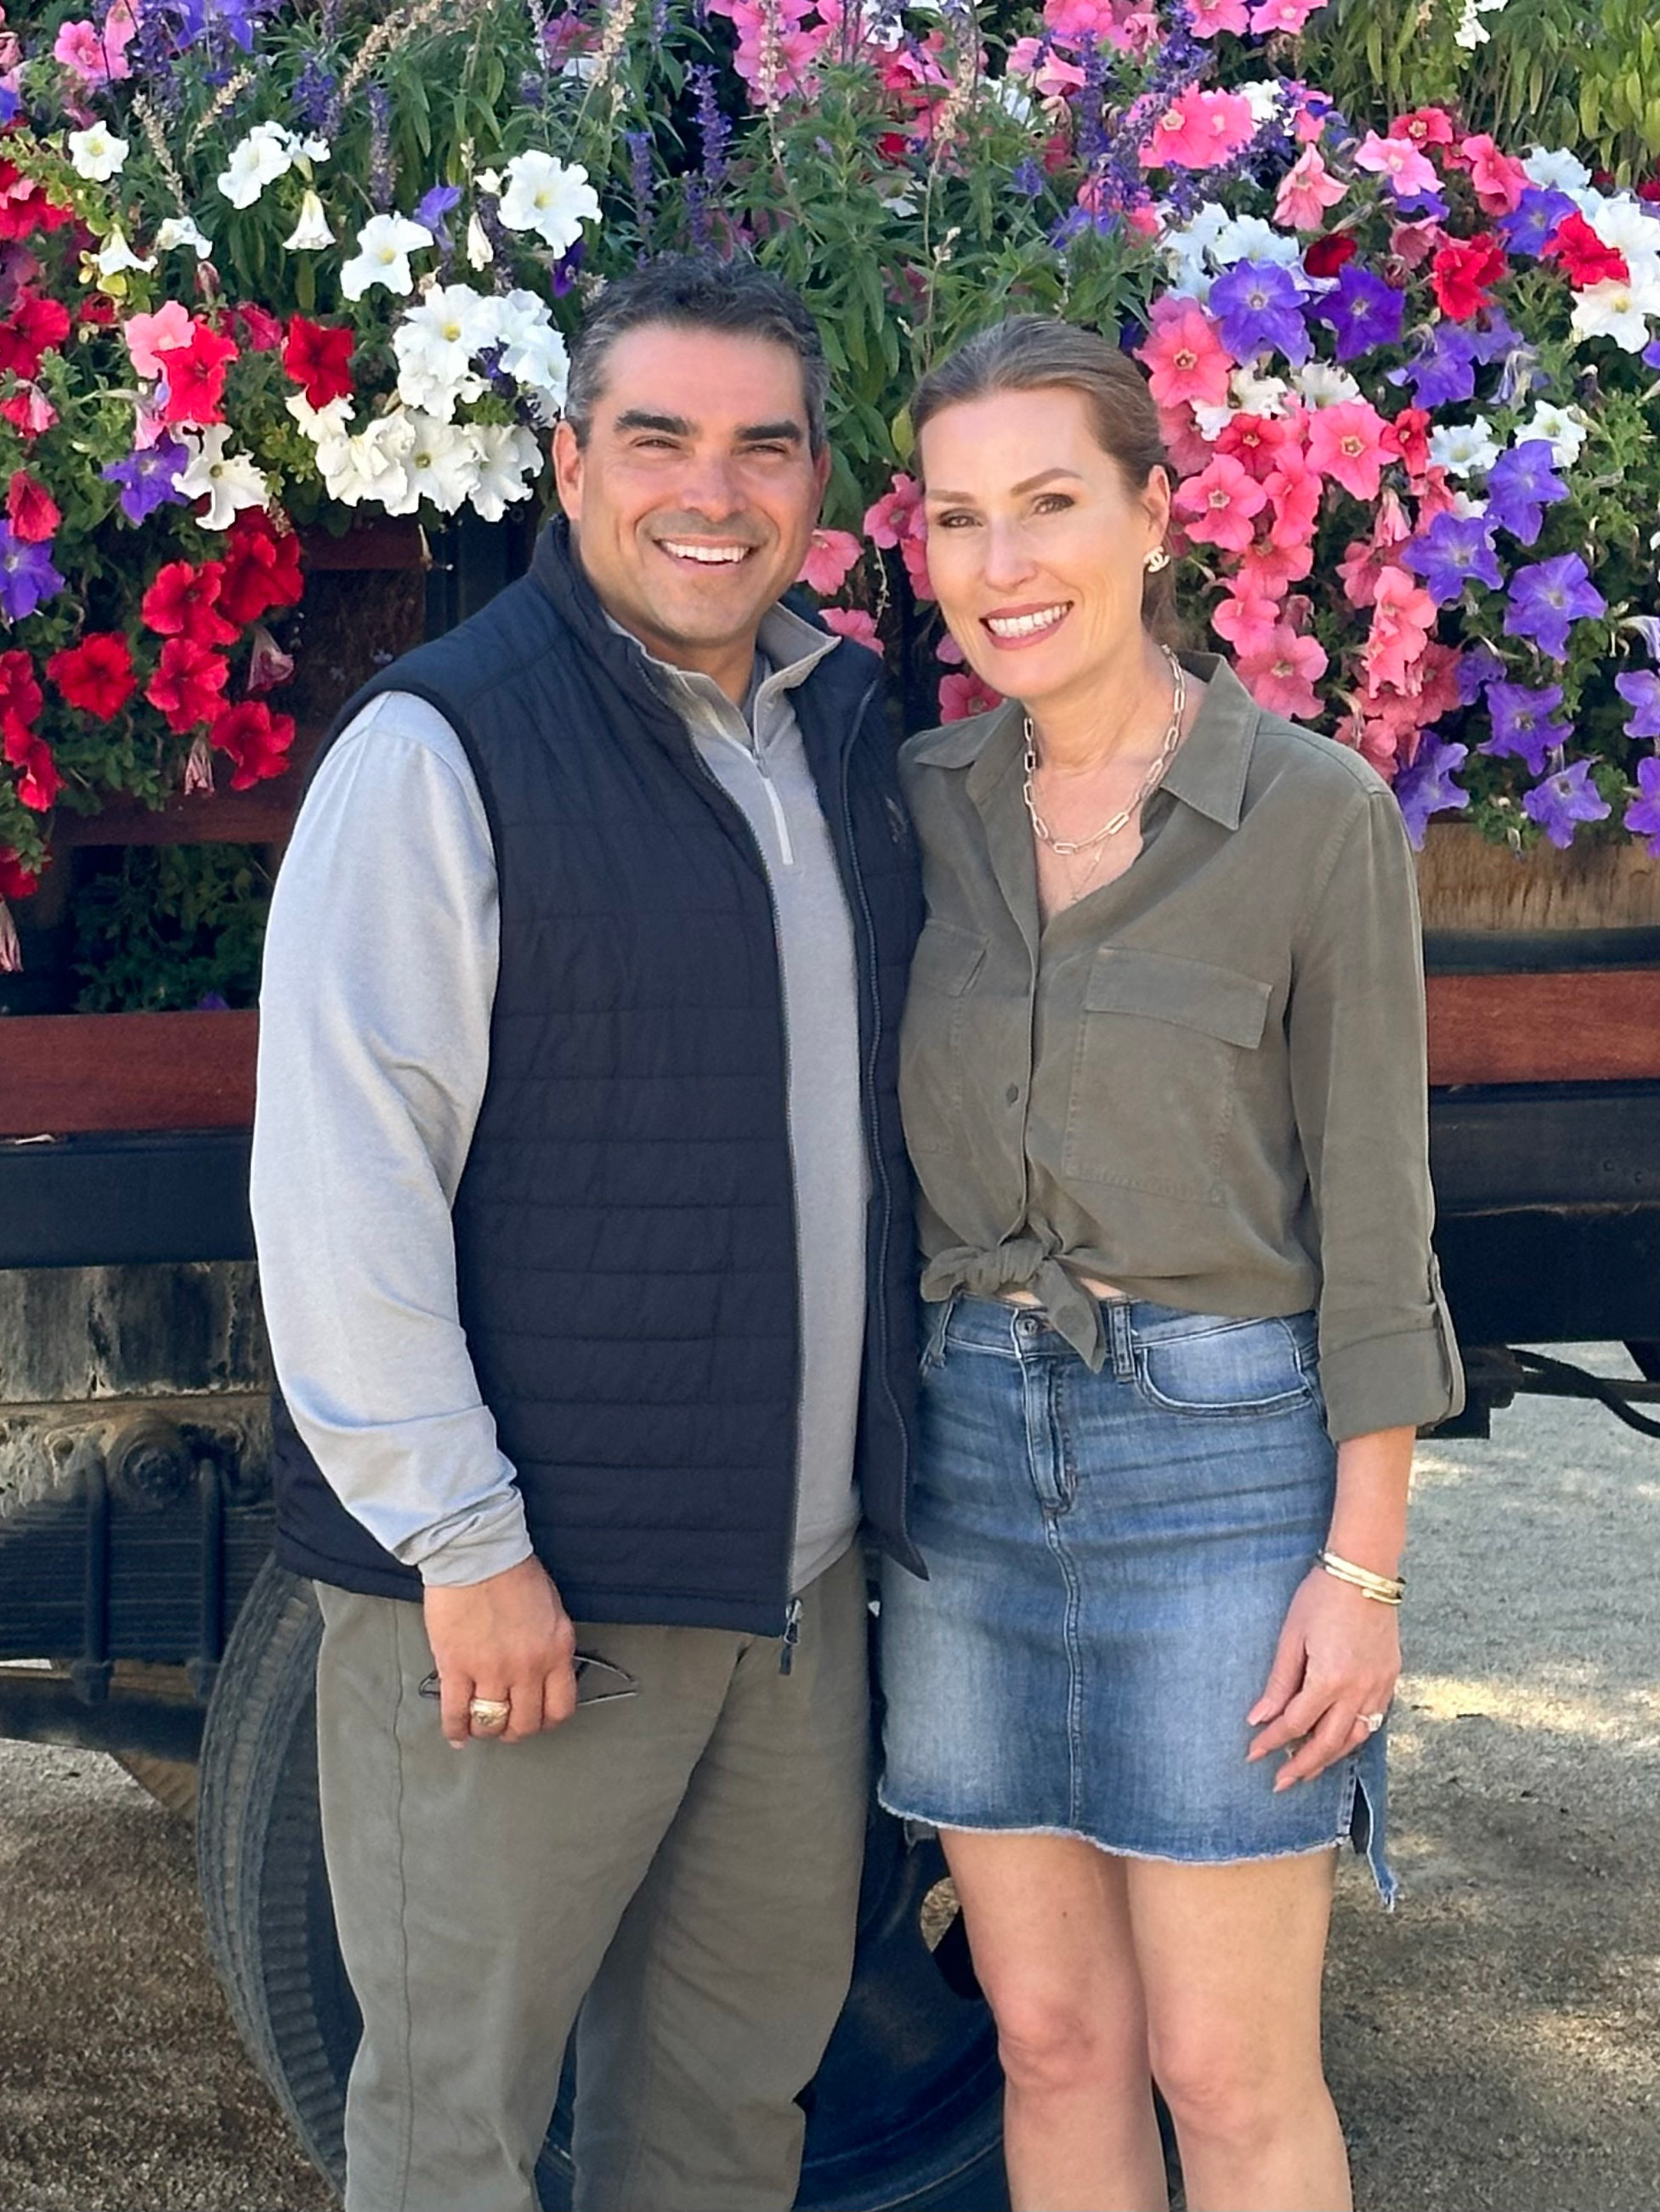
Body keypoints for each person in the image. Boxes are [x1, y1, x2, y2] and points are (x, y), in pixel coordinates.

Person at [249, 256, 923, 2212]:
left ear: (815, 483)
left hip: (787, 1601)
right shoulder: (438, 748)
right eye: (656, 439)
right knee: (454, 2133)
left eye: (761, 447)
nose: (711, 492)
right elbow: (345, 1183)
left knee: (724, 2129)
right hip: (528, 1602)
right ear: (565, 465)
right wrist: (463, 1546)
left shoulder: (838, 727)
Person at [877, 316, 1464, 2212]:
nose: (1002, 563)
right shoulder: (917, 807)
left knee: (1224, 2070)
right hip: (969, 1480)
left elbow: (1375, 1227)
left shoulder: (1309, 817)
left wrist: (1358, 1574)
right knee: (1049, 2043)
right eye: (957, 517)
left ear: (1152, 515)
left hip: (1221, 1477)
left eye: (1047, 503)